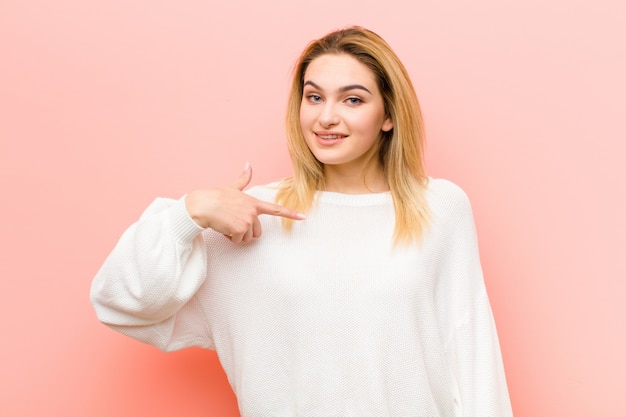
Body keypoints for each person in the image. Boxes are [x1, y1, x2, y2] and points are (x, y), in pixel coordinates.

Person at [91, 26, 513, 416]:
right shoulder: (252, 215)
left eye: (352, 99)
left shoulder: (439, 206)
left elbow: (472, 354)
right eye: (314, 97)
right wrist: (189, 213)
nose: (326, 117)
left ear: (388, 115)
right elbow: (120, 302)